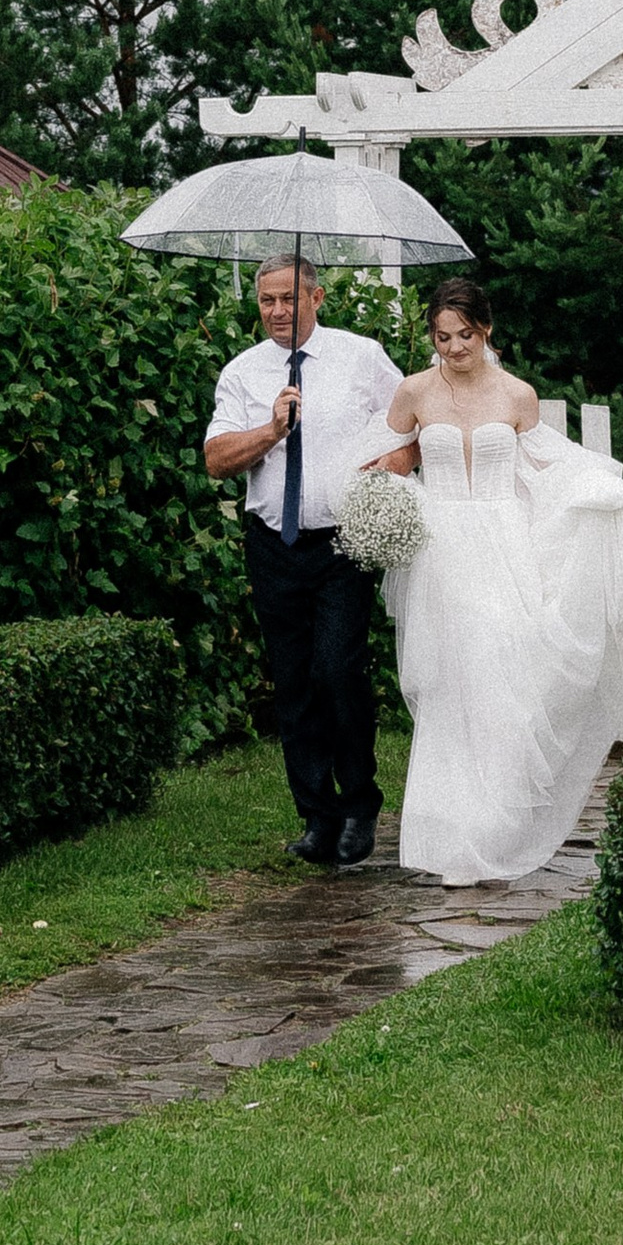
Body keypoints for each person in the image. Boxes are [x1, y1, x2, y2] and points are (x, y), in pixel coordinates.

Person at [359, 274, 623, 885]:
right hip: (442, 551)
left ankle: (499, 822)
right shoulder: (414, 391)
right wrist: (388, 475)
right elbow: (389, 453)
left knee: (511, 677)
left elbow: (547, 469)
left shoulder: (517, 395)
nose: (453, 348)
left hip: (507, 543)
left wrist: (601, 494)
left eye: (465, 335)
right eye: (442, 336)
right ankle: (450, 831)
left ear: (488, 331)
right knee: (455, 682)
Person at [205, 255, 405, 868]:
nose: (277, 311)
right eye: (267, 300)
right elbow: (216, 459)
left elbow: (413, 424)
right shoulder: (243, 373)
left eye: (289, 299)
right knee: (292, 683)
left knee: (337, 671)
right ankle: (317, 816)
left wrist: (395, 464)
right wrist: (271, 430)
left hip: (344, 543)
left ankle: (360, 803)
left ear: (317, 298)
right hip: (274, 543)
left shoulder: (361, 357)